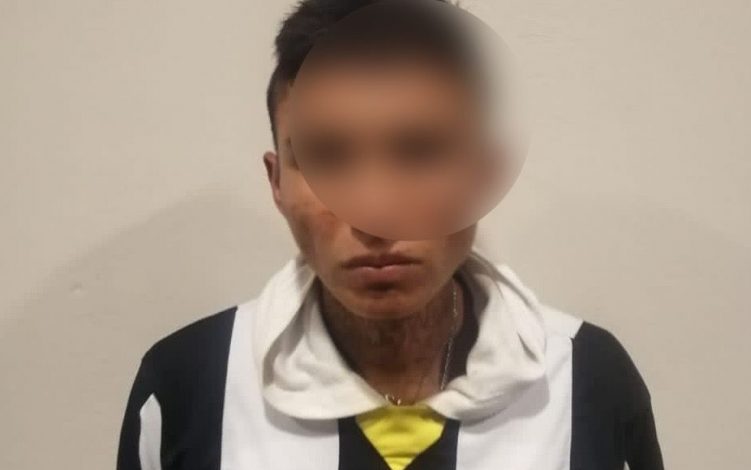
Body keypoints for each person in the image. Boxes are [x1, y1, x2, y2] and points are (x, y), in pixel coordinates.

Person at [117, 1, 664, 469]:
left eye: (420, 151)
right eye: (325, 156)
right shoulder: (188, 382)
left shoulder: (588, 379)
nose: (374, 211)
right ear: (276, 181)